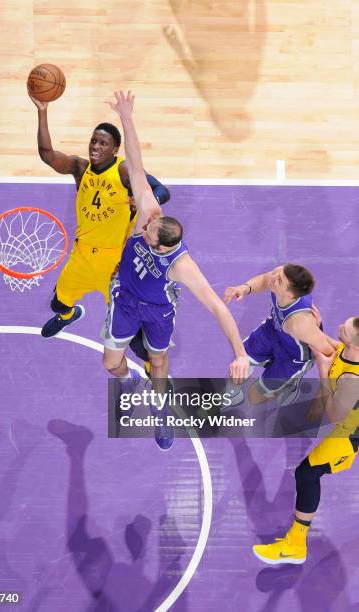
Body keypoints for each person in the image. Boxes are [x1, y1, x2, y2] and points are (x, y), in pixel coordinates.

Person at [102, 91, 250, 448]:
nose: (142, 227)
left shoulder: (181, 265)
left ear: (161, 245)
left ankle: (160, 406)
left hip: (157, 312)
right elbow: (137, 167)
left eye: (147, 233)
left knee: (158, 363)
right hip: (124, 299)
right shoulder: (150, 214)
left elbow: (217, 307)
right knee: (111, 365)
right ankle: (128, 382)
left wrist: (240, 352)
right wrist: (127, 118)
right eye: (147, 225)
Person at [28, 94, 170, 370]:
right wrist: (43, 111)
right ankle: (69, 315)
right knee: (58, 304)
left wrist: (141, 200)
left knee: (133, 336)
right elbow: (47, 155)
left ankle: (154, 369)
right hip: (81, 257)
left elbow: (163, 191)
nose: (95, 146)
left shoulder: (124, 172)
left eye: (102, 143)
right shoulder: (81, 169)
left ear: (115, 149)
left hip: (115, 264)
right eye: (94, 141)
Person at [253, 316, 359, 564]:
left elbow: (333, 414)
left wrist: (323, 368)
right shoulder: (349, 350)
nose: (341, 325)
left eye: (345, 327)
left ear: (355, 344)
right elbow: (331, 347)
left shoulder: (353, 381)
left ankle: (296, 545)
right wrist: (314, 327)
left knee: (307, 474)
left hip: (350, 434)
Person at [224, 265, 335, 406]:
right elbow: (264, 280)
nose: (273, 277)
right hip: (272, 332)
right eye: (276, 273)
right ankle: (232, 396)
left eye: (279, 280)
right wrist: (244, 288)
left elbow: (328, 350)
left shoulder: (299, 323)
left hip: (292, 357)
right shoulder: (278, 282)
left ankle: (291, 384)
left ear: (289, 295)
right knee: (240, 360)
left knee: (254, 397)